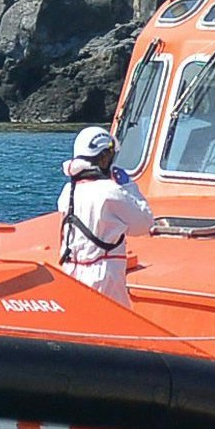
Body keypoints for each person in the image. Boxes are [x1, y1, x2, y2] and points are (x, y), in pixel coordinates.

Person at [57, 126, 154, 304]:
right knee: (114, 324)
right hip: (103, 276)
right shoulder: (111, 192)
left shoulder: (68, 191)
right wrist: (128, 186)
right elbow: (144, 223)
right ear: (103, 157)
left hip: (71, 272)